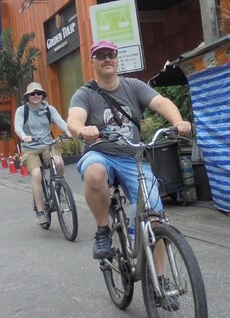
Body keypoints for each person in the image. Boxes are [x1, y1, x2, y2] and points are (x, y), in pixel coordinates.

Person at [67, 40, 192, 261]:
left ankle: (160, 286)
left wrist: (178, 121)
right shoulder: (85, 94)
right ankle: (103, 229)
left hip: (132, 157)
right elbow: (74, 119)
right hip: (100, 153)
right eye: (101, 55)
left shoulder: (133, 86)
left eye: (111, 54)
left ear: (117, 58)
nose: (107, 59)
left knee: (156, 219)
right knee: (94, 173)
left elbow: (161, 103)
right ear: (93, 62)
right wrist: (82, 129)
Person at [14, 81, 71, 225]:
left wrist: (69, 131)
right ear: (28, 97)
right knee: (37, 174)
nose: (36, 96)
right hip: (30, 148)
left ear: (42, 95)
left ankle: (58, 188)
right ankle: (40, 212)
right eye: (32, 94)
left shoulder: (49, 109)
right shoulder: (22, 111)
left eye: (38, 93)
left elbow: (60, 122)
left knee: (58, 163)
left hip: (47, 145)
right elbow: (18, 126)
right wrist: (23, 136)